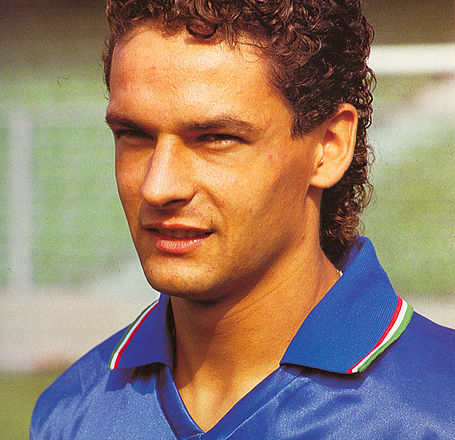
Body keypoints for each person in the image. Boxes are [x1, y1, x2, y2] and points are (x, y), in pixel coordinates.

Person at [31, 1, 455, 438]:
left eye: (216, 138)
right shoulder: (69, 414)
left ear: (329, 146)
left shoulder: (440, 412)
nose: (158, 187)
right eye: (134, 135)